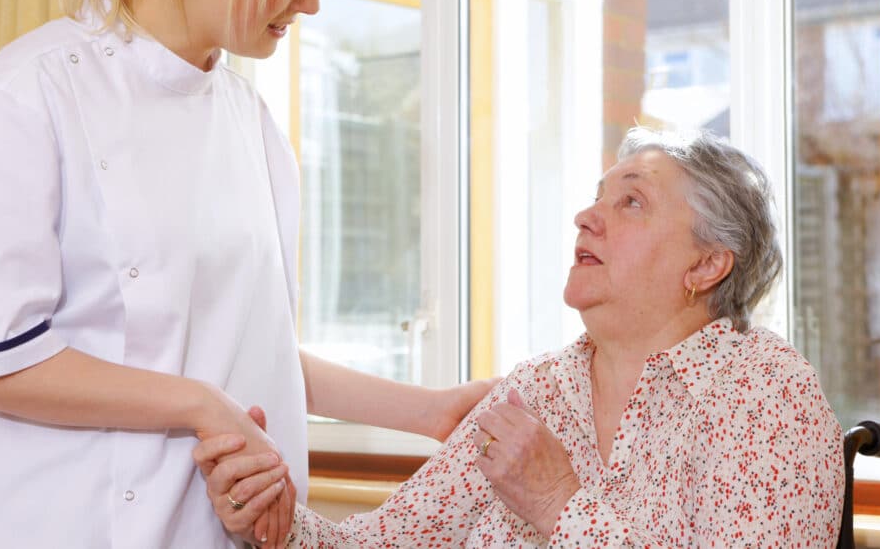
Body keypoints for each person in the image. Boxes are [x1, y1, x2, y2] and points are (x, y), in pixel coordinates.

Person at [0, 0, 493, 548]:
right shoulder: (22, 98)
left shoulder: (252, 124)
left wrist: (430, 410)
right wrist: (199, 403)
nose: (310, 1)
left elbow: (253, 346)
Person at [197, 127, 846, 547]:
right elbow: (385, 542)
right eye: (597, 198)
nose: (585, 216)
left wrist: (559, 501)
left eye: (632, 202)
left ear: (706, 265)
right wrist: (277, 521)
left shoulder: (765, 392)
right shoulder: (538, 387)